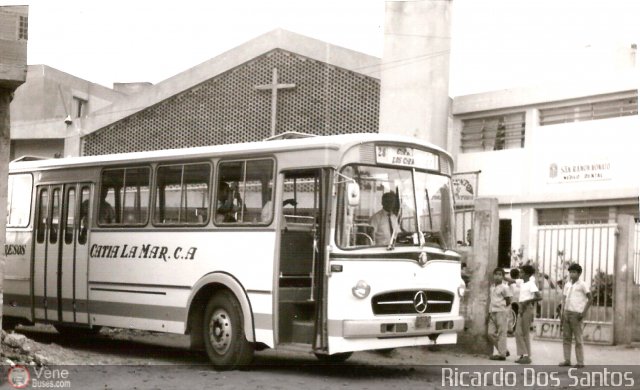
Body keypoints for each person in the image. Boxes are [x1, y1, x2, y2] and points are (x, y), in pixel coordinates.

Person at [559, 263, 591, 368]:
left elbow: (590, 299)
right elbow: (564, 299)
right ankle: (567, 360)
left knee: (578, 338)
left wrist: (583, 312)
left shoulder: (583, 284)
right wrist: (562, 312)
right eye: (570, 272)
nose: (572, 274)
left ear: (579, 273)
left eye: (574, 272)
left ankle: (580, 362)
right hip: (567, 312)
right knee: (566, 338)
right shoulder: (567, 284)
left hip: (576, 314)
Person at [515, 264, 541, 364]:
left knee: (522, 332)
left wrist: (527, 301)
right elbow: (512, 280)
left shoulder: (531, 284)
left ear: (526, 274)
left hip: (527, 307)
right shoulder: (522, 283)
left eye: (521, 272)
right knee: (519, 332)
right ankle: (524, 355)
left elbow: (539, 297)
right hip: (522, 307)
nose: (520, 274)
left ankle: (526, 356)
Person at [488, 267, 512, 360]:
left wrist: (504, 310)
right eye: (496, 274)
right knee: (490, 333)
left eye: (500, 275)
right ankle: (504, 350)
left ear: (503, 277)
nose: (497, 276)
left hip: (501, 312)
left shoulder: (505, 287)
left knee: (502, 333)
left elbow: (508, 300)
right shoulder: (492, 287)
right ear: (493, 275)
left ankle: (502, 355)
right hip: (492, 311)